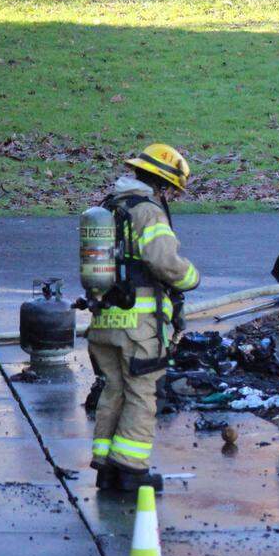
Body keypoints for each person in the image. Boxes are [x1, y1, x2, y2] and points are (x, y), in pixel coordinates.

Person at [88, 144, 200, 492]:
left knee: (113, 390)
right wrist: (191, 278)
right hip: (137, 326)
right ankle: (132, 469)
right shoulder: (148, 212)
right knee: (142, 392)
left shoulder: (109, 207)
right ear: (162, 185)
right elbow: (163, 261)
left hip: (104, 322)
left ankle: (106, 467)